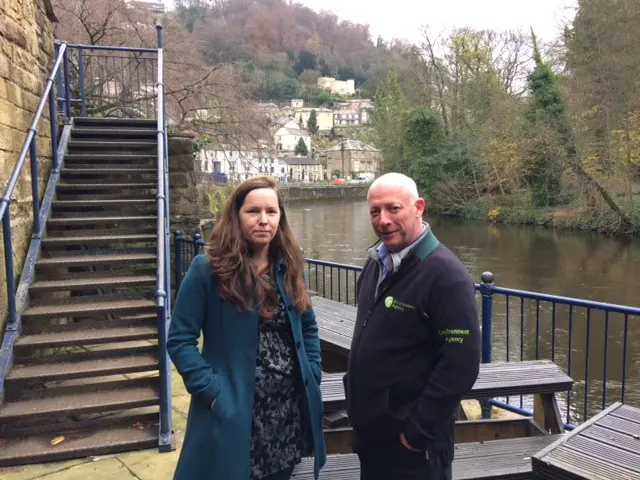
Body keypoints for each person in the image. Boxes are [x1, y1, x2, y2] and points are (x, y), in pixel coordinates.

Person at [168, 176, 326, 480]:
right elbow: (179, 339)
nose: (263, 220)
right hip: (235, 410)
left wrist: (313, 370)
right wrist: (212, 391)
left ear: (281, 218)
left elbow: (308, 325)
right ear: (236, 216)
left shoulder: (289, 265)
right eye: (253, 211)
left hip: (286, 413)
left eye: (272, 211)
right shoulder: (208, 269)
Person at [344, 172, 481, 480]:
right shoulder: (375, 263)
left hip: (413, 448)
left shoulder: (446, 276)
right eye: (375, 211)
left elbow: (461, 365)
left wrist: (417, 434)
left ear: (418, 207)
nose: (383, 220)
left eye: (394, 209)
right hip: (375, 436)